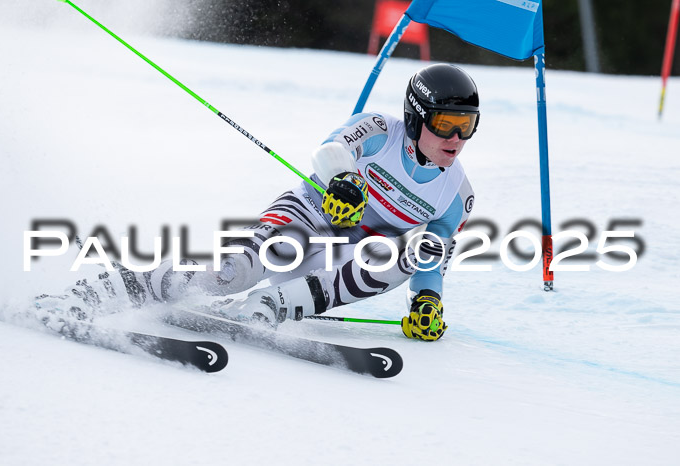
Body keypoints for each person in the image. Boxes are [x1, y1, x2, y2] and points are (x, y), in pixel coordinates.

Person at [36, 63, 478, 342]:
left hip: (347, 257)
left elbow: (432, 260)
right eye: (445, 124)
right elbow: (329, 151)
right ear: (417, 117)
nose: (456, 139)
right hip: (308, 217)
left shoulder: (457, 195)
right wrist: (342, 179)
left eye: (467, 126)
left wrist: (428, 301)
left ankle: (272, 306)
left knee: (417, 250)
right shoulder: (379, 128)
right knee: (234, 271)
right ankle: (105, 290)